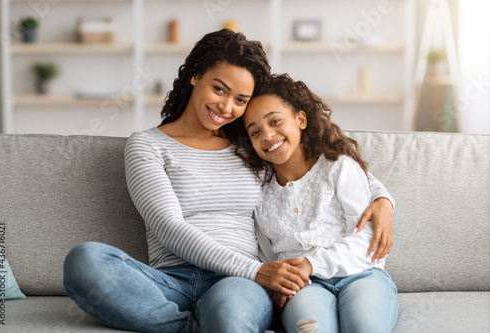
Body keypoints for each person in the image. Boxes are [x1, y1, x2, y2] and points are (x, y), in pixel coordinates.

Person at [63, 29, 394, 333]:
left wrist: (382, 198)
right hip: (171, 281)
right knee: (84, 261)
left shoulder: (250, 145)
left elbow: (320, 163)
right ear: (195, 75)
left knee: (229, 314)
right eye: (219, 88)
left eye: (240, 100)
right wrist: (258, 272)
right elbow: (168, 227)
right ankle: (187, 327)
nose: (225, 106)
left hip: (237, 282)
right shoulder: (147, 145)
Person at [239, 73, 399, 333]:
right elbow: (268, 258)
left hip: (361, 274)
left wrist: (310, 264)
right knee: (312, 329)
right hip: (305, 286)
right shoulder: (259, 196)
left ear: (300, 120)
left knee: (364, 326)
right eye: (255, 131)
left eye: (275, 121)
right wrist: (277, 286)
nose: (267, 135)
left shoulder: (339, 167)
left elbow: (366, 242)